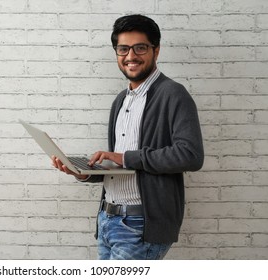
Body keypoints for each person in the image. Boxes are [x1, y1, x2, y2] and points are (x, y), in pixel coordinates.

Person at [52, 14, 204, 260]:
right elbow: (123, 166)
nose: (130, 56)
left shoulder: (173, 94)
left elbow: (191, 155)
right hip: (107, 219)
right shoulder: (121, 101)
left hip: (139, 223)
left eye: (140, 48)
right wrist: (86, 173)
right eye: (123, 49)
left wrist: (125, 157)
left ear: (156, 50)